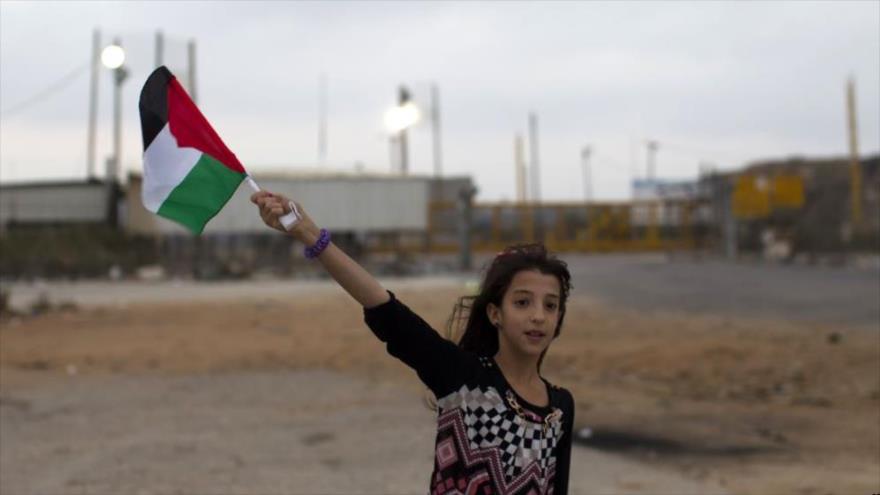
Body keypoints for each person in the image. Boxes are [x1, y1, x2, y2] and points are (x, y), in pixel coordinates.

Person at [251, 191, 575, 494]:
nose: (538, 316)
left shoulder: (560, 406)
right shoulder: (462, 376)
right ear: (495, 313)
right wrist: (309, 233)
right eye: (522, 302)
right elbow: (385, 309)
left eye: (550, 305)